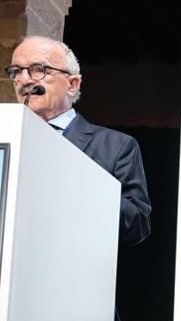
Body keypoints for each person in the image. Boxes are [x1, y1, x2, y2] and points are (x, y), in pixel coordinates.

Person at [8, 36, 152, 247]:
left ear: (73, 84)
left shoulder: (116, 147)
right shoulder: (4, 139)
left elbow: (138, 224)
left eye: (39, 69)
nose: (25, 80)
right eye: (16, 71)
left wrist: (83, 191)